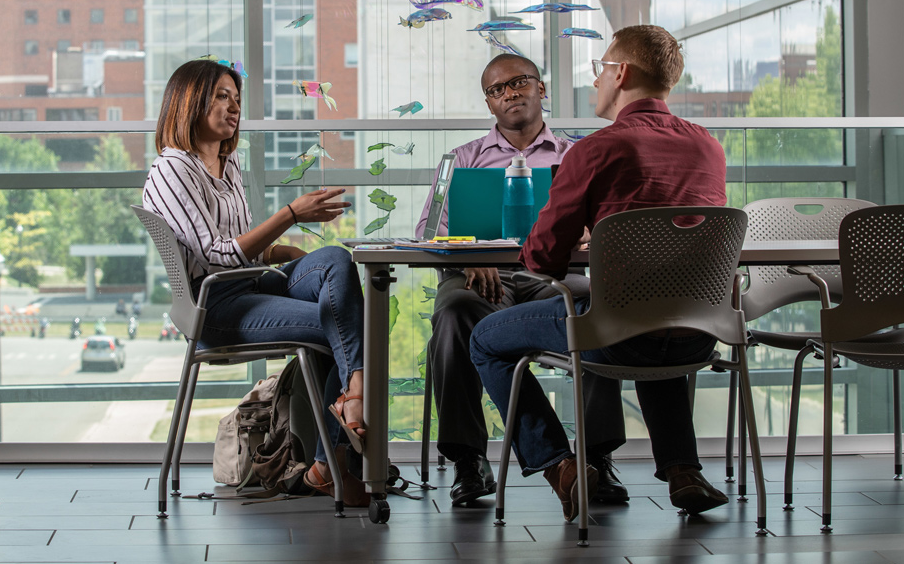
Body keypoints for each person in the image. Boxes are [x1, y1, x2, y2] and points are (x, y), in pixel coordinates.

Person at [469, 25, 729, 521]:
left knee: (485, 338)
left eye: (599, 69)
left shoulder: (595, 150)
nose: (595, 81)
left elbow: (542, 258)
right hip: (698, 332)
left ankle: (561, 467)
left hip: (617, 334)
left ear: (621, 73)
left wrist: (583, 232)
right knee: (659, 310)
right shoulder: (708, 148)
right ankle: (682, 471)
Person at [142, 58, 369, 505]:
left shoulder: (228, 166)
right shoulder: (172, 169)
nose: (234, 108)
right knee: (338, 322)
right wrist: (290, 215)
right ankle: (334, 454)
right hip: (217, 307)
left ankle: (346, 417)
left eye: (237, 100)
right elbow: (217, 253)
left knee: (335, 262)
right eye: (222, 97)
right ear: (189, 102)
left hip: (253, 285)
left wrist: (302, 259)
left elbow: (255, 251)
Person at [416, 54, 628, 507]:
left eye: (518, 83)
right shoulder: (461, 159)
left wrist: (591, 229)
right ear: (489, 104)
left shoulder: (577, 154)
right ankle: (468, 461)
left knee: (599, 304)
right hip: (480, 281)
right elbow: (427, 231)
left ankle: (597, 457)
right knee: (452, 314)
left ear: (541, 88)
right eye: (497, 89)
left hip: (557, 277)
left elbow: (610, 221)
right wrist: (469, 251)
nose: (509, 93)